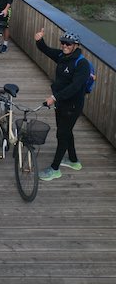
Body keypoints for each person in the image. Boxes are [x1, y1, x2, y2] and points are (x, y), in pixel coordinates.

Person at [35, 29, 89, 182]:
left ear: (76, 45)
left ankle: (55, 169)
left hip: (72, 105)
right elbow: (46, 50)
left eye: (68, 43)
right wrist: (39, 40)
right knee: (65, 131)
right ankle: (73, 161)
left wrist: (54, 97)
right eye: (63, 42)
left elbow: (75, 87)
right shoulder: (62, 56)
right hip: (61, 103)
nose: (64, 45)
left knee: (62, 134)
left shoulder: (81, 64)